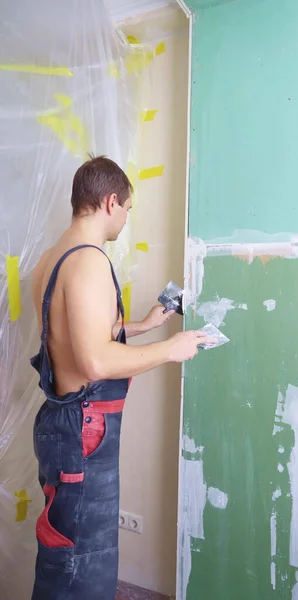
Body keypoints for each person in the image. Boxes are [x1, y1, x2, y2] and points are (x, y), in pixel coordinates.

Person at [30, 155, 214, 600]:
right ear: (111, 201)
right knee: (84, 567)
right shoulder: (91, 260)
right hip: (85, 433)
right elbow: (93, 362)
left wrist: (144, 326)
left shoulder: (52, 259)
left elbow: (75, 337)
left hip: (62, 424)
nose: (126, 218)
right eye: (128, 209)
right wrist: (172, 349)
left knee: (63, 553)